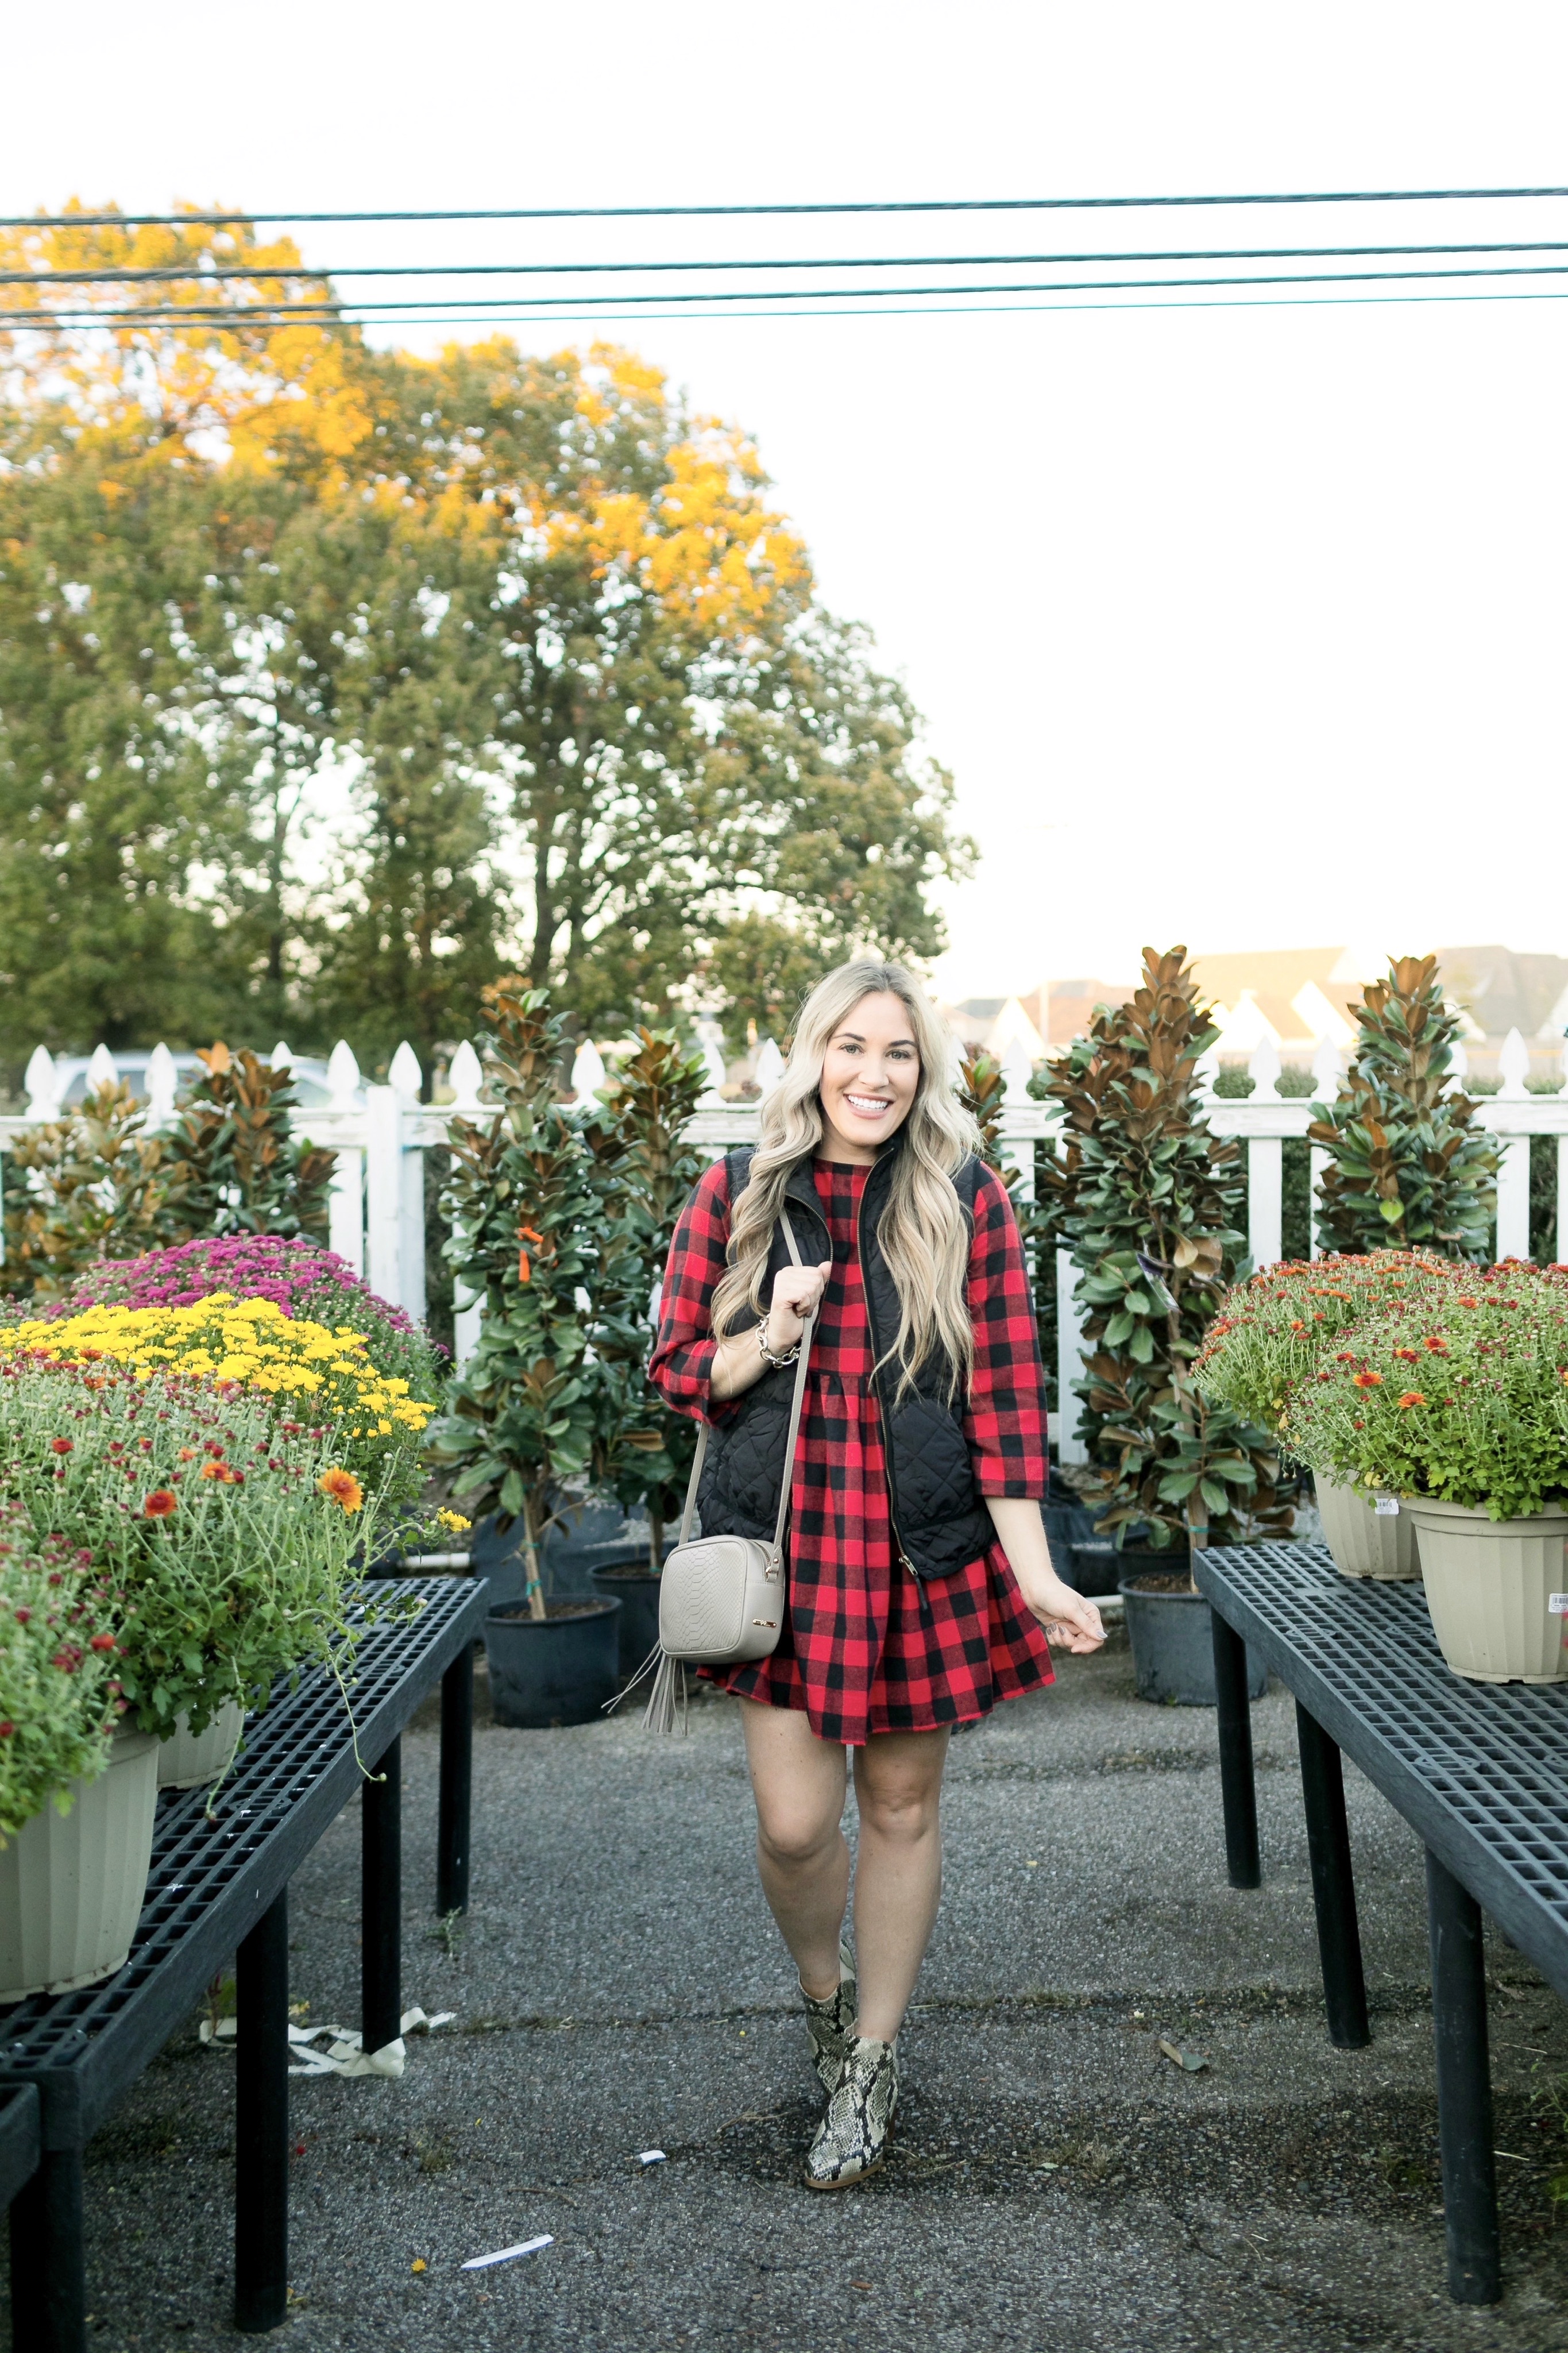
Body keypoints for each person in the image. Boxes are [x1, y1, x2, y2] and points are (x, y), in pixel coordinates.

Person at [650, 959, 1105, 2189]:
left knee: (900, 1808)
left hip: (921, 1553)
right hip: (790, 1553)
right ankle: (825, 1995)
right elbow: (678, 1366)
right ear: (813, 1058)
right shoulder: (740, 1195)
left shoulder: (965, 1199)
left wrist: (1039, 1574)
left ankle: (876, 2055)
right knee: (797, 1825)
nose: (874, 1072)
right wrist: (770, 1334)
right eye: (851, 1046)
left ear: (924, 1070)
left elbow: (1008, 1404)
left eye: (897, 1052)